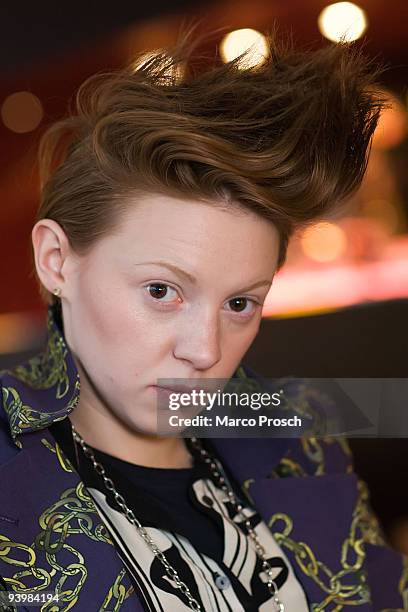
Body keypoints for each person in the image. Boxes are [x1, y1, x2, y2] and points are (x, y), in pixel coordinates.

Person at [0, 29, 406, 611]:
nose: (206, 351)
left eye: (240, 303)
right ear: (56, 261)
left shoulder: (297, 430)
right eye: (162, 291)